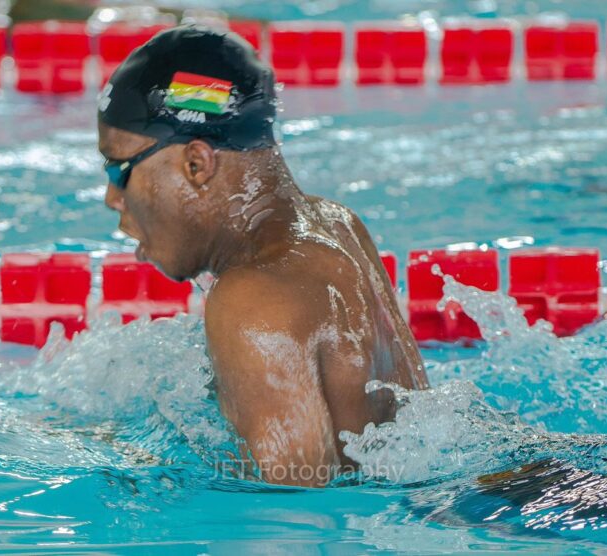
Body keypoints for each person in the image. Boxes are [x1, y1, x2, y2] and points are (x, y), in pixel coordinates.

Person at [98, 25, 429, 487]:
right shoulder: (338, 224)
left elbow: (288, 513)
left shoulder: (252, 302)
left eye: (119, 170)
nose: (112, 198)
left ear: (196, 164)